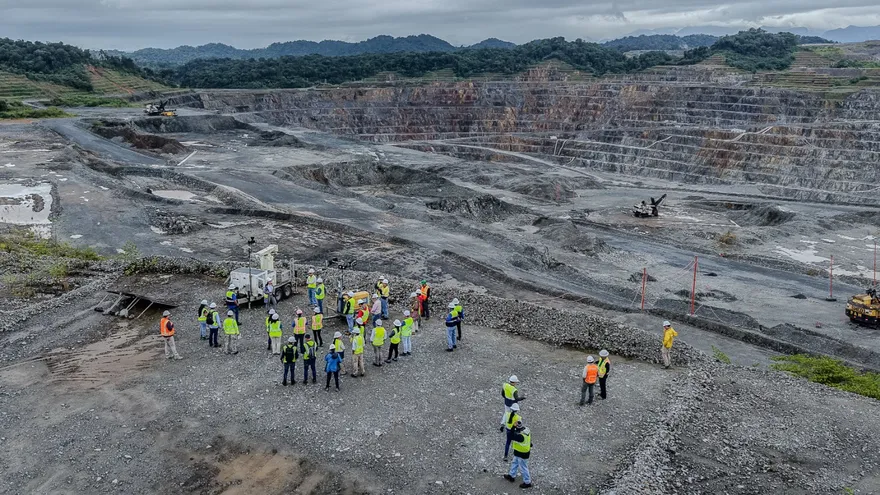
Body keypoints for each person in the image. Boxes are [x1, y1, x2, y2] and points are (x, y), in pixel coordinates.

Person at [504, 420, 533, 489]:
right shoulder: (526, 430)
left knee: (523, 468)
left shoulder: (519, 436)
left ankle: (527, 482)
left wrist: (512, 427)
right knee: (515, 462)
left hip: (522, 453)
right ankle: (511, 475)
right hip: (520, 452)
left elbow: (510, 435)